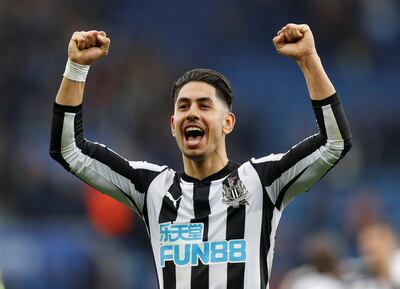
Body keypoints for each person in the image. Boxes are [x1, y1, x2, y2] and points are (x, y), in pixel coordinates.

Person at [50, 23, 352, 289]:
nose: (192, 112)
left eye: (205, 105)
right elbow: (69, 150)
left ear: (227, 123)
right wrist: (76, 68)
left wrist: (309, 60)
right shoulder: (153, 187)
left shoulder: (261, 182)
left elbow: (335, 142)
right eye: (183, 107)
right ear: (172, 126)